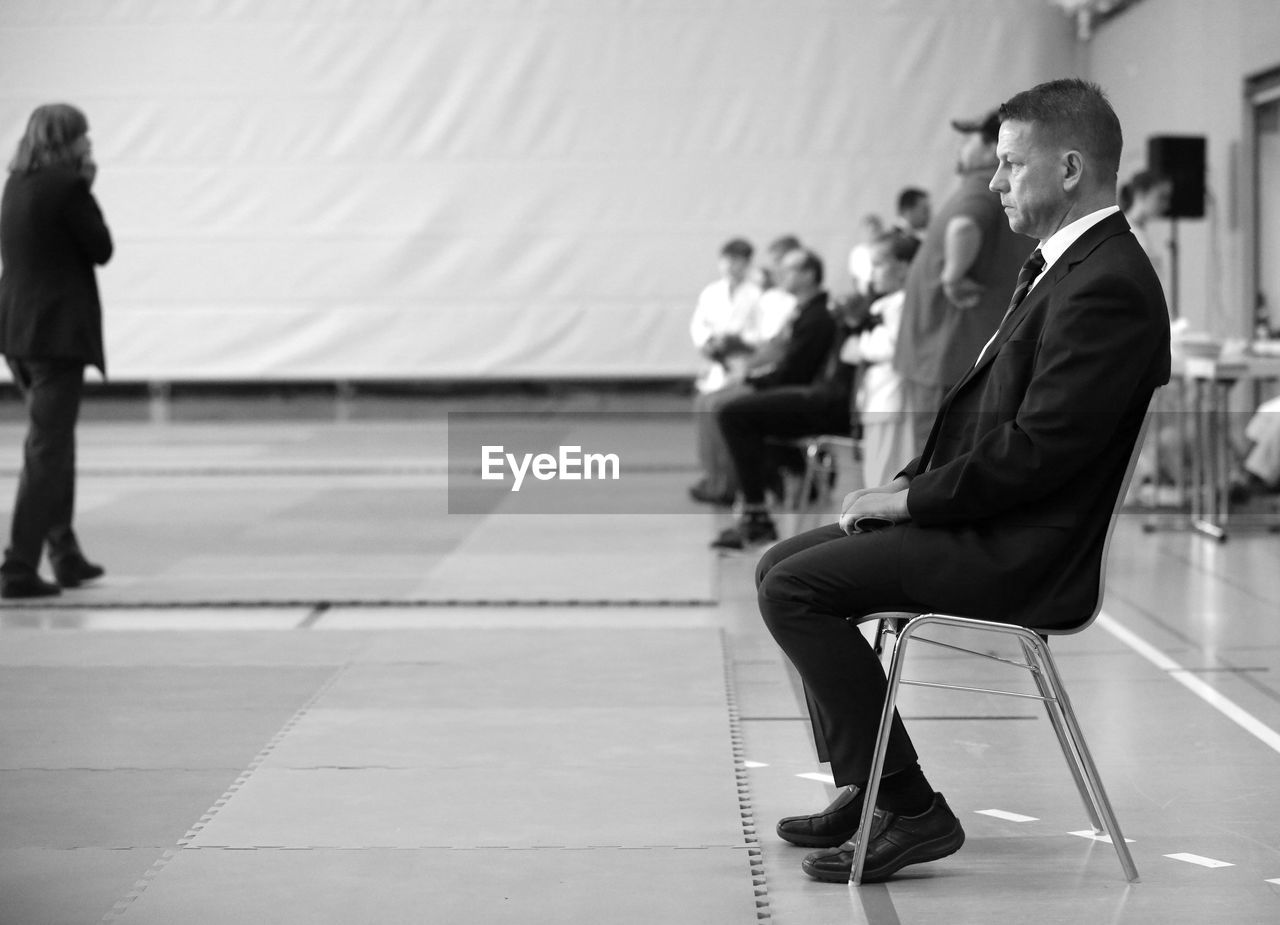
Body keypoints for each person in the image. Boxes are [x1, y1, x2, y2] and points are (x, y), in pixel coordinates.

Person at [754, 78, 1171, 883]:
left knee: (795, 589)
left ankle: (909, 806)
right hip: (992, 521)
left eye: (1012, 164)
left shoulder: (1107, 283)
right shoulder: (1068, 265)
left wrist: (907, 499)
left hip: (1023, 550)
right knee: (780, 566)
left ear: (1072, 168)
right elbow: (987, 420)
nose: (994, 181)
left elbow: (1038, 452)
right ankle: (866, 782)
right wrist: (906, 485)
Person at [0, 103, 113, 599]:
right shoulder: (67, 188)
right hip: (55, 337)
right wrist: (87, 186)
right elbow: (101, 248)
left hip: (17, 333)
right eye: (84, 138)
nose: (90, 145)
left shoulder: (15, 185)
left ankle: (64, 553)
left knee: (54, 441)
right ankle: (18, 566)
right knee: (47, 448)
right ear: (67, 141)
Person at [893, 110, 1034, 451]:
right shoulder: (999, 187)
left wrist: (953, 277)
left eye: (967, 141)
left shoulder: (981, 186)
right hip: (956, 352)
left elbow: (964, 226)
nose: (961, 149)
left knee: (933, 461)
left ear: (991, 147)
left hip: (945, 354)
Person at [711, 246, 841, 549]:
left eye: (790, 269)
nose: (780, 274)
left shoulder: (818, 317)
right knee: (731, 409)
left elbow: (793, 374)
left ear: (809, 274)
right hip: (805, 393)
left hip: (818, 400)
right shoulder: (805, 312)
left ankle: (758, 516)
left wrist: (753, 380)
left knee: (733, 414)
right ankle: (763, 497)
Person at [840, 230, 920, 488]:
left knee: (886, 474)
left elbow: (896, 345)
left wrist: (860, 346)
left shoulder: (902, 303)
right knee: (875, 470)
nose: (871, 274)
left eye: (878, 264)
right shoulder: (885, 304)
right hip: (877, 397)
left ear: (904, 267)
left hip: (891, 397)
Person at [689, 238, 766, 504]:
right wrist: (709, 343)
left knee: (720, 415)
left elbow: (760, 333)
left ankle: (730, 483)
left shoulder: (756, 294)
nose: (732, 266)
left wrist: (736, 340)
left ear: (747, 264)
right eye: (728, 259)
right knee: (703, 411)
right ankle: (713, 478)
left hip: (742, 364)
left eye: (739, 261)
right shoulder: (711, 292)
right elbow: (699, 325)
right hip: (717, 367)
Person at [1119, 169, 1173, 306]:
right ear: (1142, 194)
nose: (1166, 205)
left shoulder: (1142, 231)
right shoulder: (1124, 232)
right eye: (1161, 197)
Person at [846, 215, 885, 298]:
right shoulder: (858, 252)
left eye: (875, 230)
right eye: (869, 230)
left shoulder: (886, 249)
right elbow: (854, 278)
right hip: (864, 294)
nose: (872, 234)